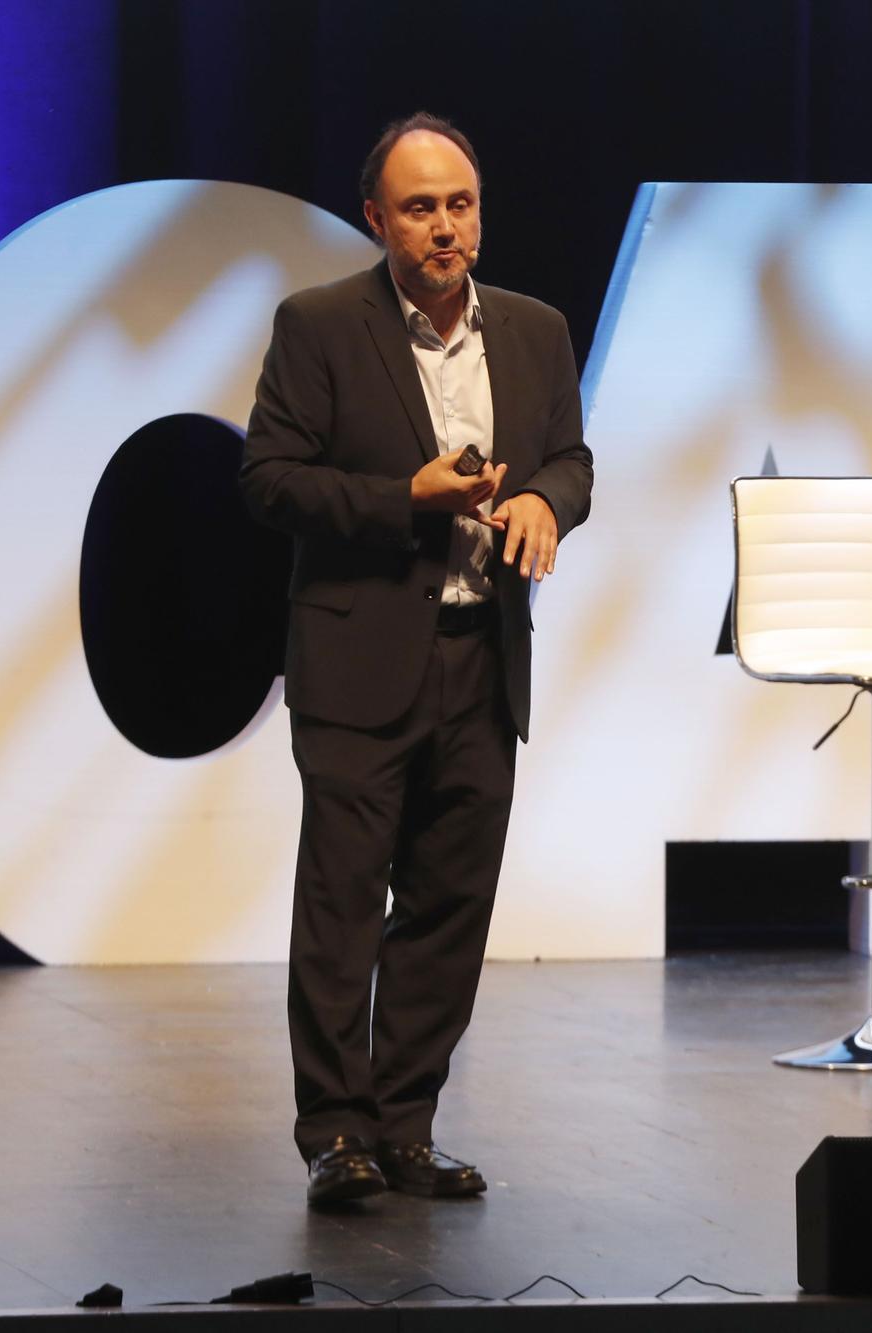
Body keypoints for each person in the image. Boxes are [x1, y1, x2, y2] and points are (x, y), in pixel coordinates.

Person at [240, 112, 594, 1205]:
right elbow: (269, 481)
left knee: (449, 904)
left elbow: (573, 460)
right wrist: (407, 499)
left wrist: (542, 497)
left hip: (481, 656)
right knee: (343, 903)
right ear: (376, 220)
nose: (444, 228)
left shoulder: (534, 330)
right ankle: (333, 1132)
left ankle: (404, 1122)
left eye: (459, 204)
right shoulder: (319, 325)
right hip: (359, 658)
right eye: (419, 208)